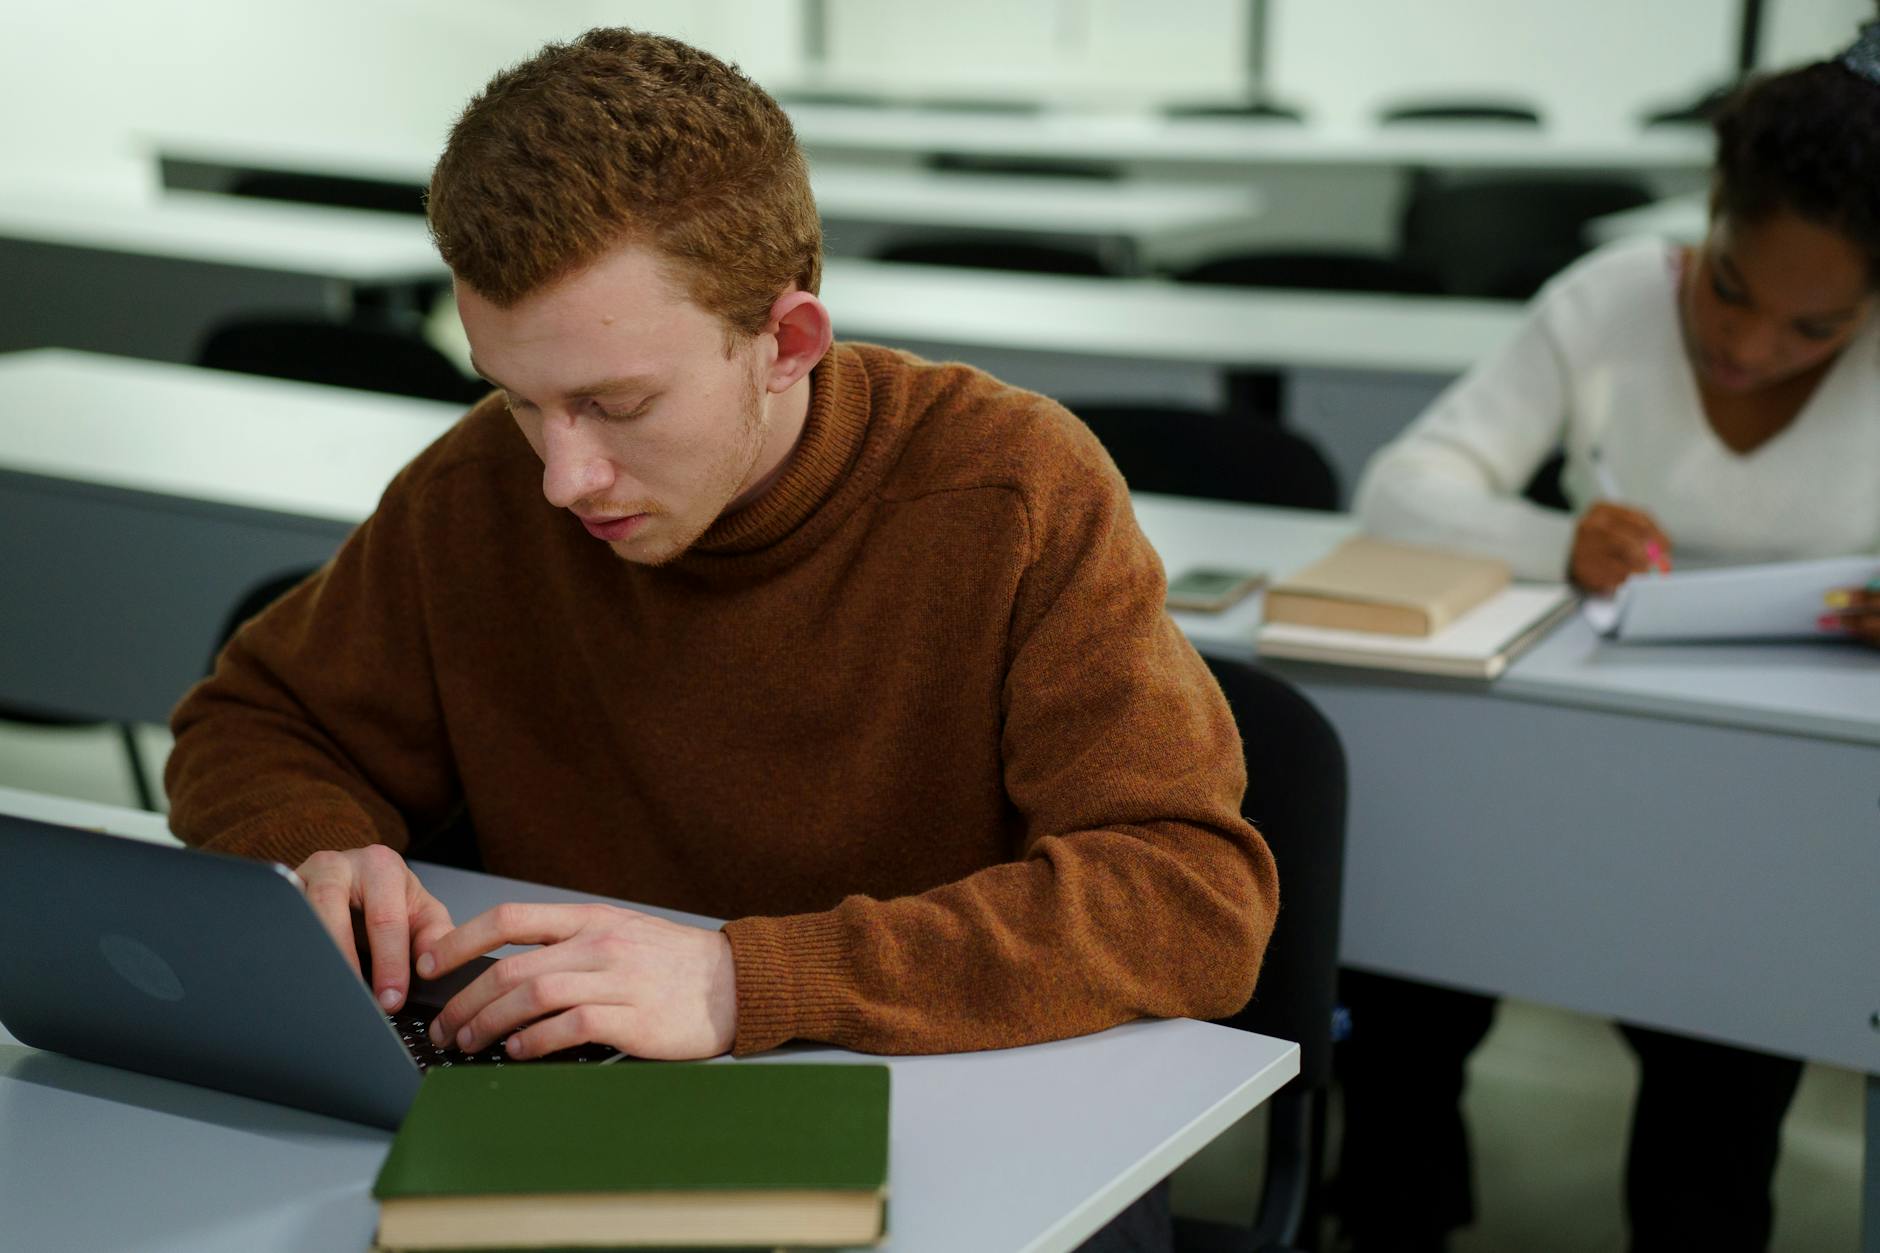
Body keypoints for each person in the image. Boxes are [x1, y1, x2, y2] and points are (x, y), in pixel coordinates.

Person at [164, 27, 1275, 1253]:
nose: (561, 475)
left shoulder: (1010, 490)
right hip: (576, 1129)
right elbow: (252, 720)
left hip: (951, 1139)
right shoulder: (478, 484)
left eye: (616, 404)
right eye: (519, 397)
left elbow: (1187, 893)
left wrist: (743, 980)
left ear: (787, 343)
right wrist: (317, 850)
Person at [1338, 26, 1880, 1253]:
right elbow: (1400, 486)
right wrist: (1555, 541)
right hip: (1550, 764)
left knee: (1715, 1096)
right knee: (1404, 988)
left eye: (1811, 330)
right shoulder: (1613, 298)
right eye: (1730, 288)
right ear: (1709, 214)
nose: (1745, 348)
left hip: (1765, 807)